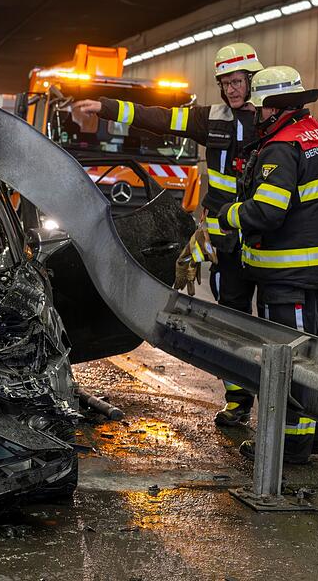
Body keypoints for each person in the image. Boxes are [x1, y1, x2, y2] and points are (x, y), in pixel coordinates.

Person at [72, 43, 262, 426]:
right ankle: (239, 400)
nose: (231, 89)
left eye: (238, 81)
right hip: (227, 239)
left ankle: (289, 409)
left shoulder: (270, 120)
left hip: (265, 237)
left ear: (253, 80)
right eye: (225, 83)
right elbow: (156, 118)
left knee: (275, 325)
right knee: (231, 321)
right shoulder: (212, 119)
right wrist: (105, 107)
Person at [217, 65, 318, 463]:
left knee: (290, 363)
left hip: (289, 275)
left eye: (259, 108)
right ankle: (317, 436)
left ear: (274, 108)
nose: (255, 114)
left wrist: (229, 215)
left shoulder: (281, 148)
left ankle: (290, 446)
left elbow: (267, 212)